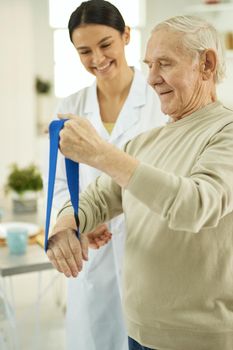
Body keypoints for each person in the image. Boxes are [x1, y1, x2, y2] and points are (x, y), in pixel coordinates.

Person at [47, 15, 233, 350]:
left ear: (206, 64)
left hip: (197, 339)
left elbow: (195, 206)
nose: (151, 78)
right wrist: (66, 223)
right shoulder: (144, 142)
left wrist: (102, 154)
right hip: (139, 331)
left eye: (164, 64)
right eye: (149, 65)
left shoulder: (225, 133)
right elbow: (97, 199)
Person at [46, 1, 165, 350]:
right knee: (95, 338)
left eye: (105, 44)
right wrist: (77, 220)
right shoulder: (69, 108)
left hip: (148, 247)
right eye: (84, 51)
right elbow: (58, 185)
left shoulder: (160, 101)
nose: (96, 58)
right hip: (92, 254)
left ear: (126, 36)